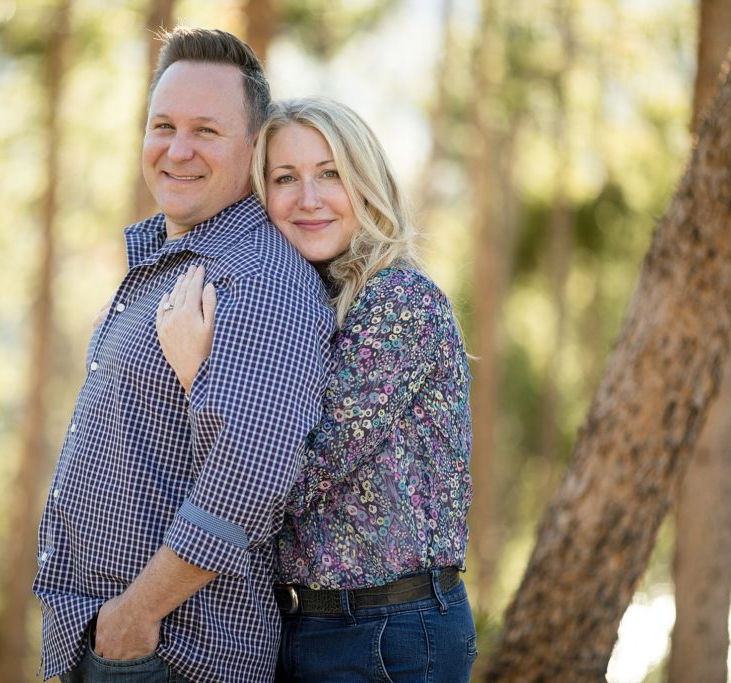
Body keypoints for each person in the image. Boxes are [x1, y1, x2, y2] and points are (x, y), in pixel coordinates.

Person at [32, 28, 335, 682]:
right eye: (162, 125)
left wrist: (134, 617)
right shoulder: (179, 263)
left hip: (173, 654)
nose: (177, 149)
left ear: (255, 147)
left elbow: (251, 473)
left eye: (206, 130)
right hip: (117, 644)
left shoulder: (260, 279)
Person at [157, 97, 476, 682]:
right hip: (309, 625)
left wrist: (197, 375)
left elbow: (295, 474)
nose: (308, 198)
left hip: (388, 634)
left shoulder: (400, 302)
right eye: (285, 178)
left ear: (366, 183)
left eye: (330, 174)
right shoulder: (308, 306)